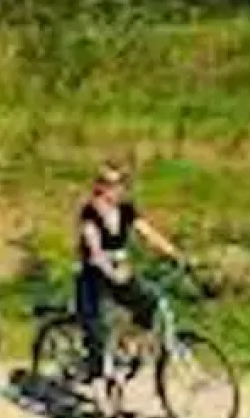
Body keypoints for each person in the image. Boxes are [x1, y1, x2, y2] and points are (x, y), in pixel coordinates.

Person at [75, 162, 184, 389]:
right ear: (99, 187)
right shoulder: (90, 213)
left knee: (149, 302)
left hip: (121, 275)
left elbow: (148, 233)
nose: (115, 189)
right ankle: (97, 387)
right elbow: (94, 250)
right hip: (94, 279)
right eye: (108, 184)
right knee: (97, 333)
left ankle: (128, 344)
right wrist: (110, 271)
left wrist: (173, 253)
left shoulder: (126, 210)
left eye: (119, 184)